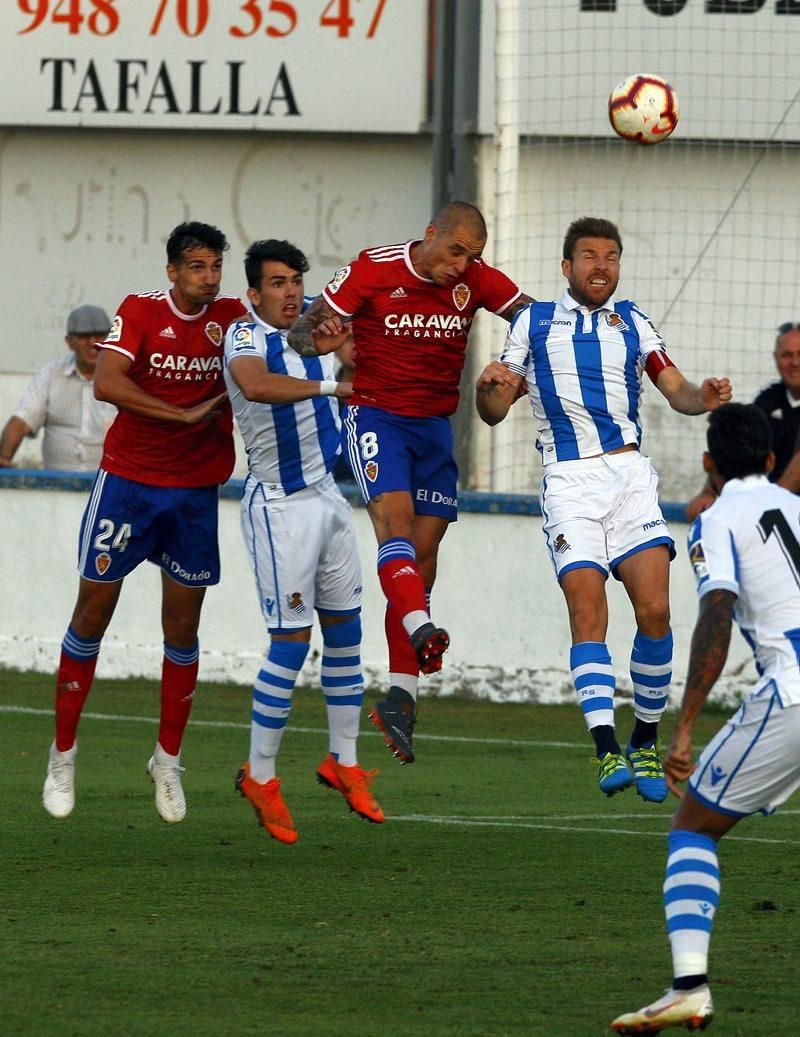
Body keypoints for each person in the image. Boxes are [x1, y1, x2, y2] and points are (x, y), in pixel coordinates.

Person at [475, 216, 732, 800]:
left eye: (611, 256)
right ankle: (604, 749)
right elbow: (495, 410)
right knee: (589, 615)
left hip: (630, 478)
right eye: (589, 255)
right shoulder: (534, 323)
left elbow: (677, 391)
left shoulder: (634, 322)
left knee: (657, 614)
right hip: (569, 483)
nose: (601, 265)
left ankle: (644, 740)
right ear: (566, 267)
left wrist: (705, 399)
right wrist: (487, 389)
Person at [287, 200, 532, 765]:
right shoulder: (373, 269)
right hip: (377, 415)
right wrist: (319, 344)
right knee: (392, 527)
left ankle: (401, 696)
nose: (462, 265)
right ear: (429, 235)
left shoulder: (475, 281)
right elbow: (301, 331)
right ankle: (422, 629)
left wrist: (514, 362)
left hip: (434, 427)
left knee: (421, 557)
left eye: (473, 256)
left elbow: (535, 316)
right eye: (455, 251)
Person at [42, 221, 247, 824]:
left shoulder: (233, 316)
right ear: (173, 272)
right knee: (91, 614)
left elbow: (291, 328)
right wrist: (180, 416)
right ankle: (62, 755)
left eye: (215, 267)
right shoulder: (138, 311)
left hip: (193, 493)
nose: (208, 278)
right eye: (197, 267)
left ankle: (167, 760)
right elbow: (108, 381)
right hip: (128, 484)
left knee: (182, 630)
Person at [610, 402, 800, 1033]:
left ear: (708, 464)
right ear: (772, 460)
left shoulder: (716, 519)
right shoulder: (797, 505)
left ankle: (688, 986)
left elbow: (717, 615)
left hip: (794, 689)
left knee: (693, 825)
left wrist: (685, 726)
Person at [224, 238, 383, 843]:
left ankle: (342, 763)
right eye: (278, 283)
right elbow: (257, 385)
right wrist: (333, 387)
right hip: (279, 507)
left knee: (346, 633)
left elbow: (361, 333)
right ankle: (260, 774)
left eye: (296, 280)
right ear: (254, 293)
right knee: (290, 642)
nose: (291, 292)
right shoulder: (244, 339)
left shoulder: (317, 314)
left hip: (328, 499)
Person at [685, 320, 800, 520]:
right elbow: (736, 441)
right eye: (787, 355)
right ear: (775, 358)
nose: (795, 362)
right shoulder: (768, 398)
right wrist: (709, 492)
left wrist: (770, 509)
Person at [0, 305, 115, 471]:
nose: (93, 343)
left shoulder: (126, 376)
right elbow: (22, 421)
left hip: (109, 485)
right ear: (69, 342)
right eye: (84, 336)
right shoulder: (50, 374)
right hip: (55, 488)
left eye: (100, 336)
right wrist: (3, 458)